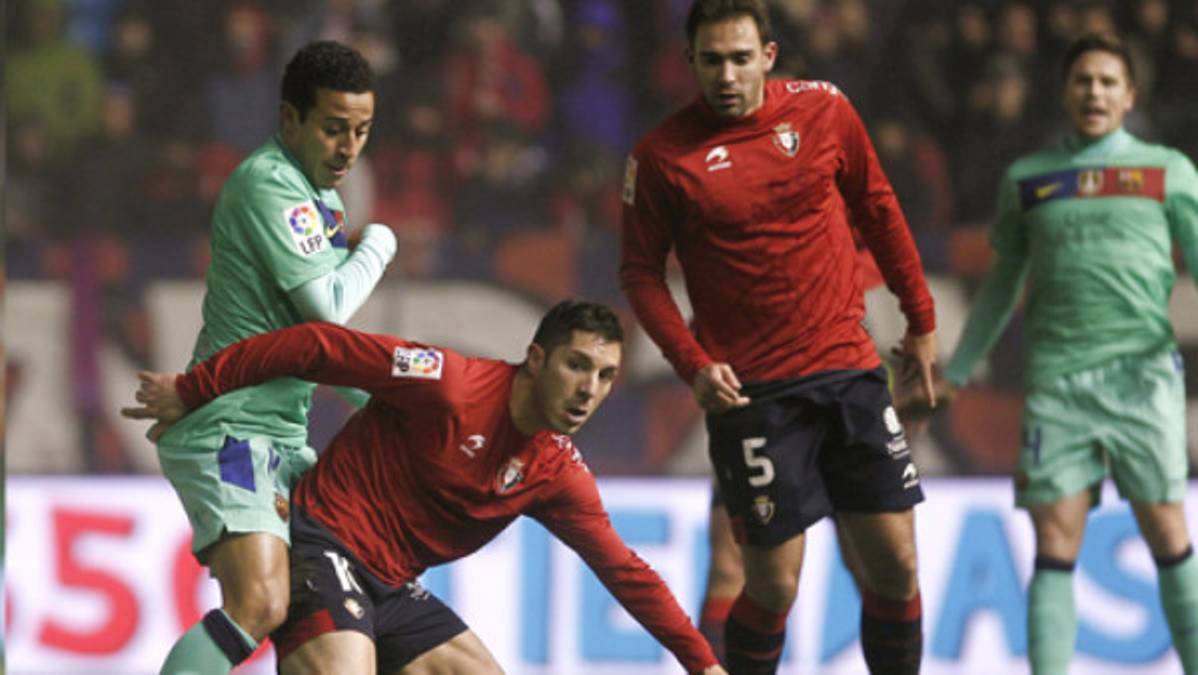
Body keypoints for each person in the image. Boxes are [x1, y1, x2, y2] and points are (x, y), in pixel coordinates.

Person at [123, 300, 727, 675]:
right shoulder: (449, 383)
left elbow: (626, 571)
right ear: (536, 359)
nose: (589, 389)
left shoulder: (556, 473)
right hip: (321, 546)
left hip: (389, 586)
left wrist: (703, 665)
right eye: (577, 365)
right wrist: (195, 388)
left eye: (605, 375)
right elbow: (316, 346)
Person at [619, 1, 939, 673]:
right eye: (712, 60)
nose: (727, 75)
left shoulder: (825, 109)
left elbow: (878, 208)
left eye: (740, 58)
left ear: (768, 56)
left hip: (848, 372)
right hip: (754, 396)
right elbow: (640, 274)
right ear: (690, 62)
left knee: (897, 564)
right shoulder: (661, 157)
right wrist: (693, 365)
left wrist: (921, 320)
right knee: (771, 584)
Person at [941, 33, 1198, 675]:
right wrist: (958, 369)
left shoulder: (1167, 171)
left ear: (1130, 96)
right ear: (1064, 92)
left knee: (1168, 534)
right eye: (1083, 80)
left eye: (1109, 81)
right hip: (1057, 384)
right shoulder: (1029, 179)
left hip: (1142, 379)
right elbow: (1002, 284)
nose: (1095, 92)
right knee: (1054, 544)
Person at [150, 41, 397, 674]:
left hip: (284, 441)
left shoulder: (323, 201)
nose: (349, 148)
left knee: (354, 600)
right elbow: (328, 311)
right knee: (259, 602)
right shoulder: (270, 183)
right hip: (232, 432)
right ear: (290, 118)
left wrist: (396, 403)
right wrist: (379, 244)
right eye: (334, 128)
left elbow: (322, 347)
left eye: (362, 131)